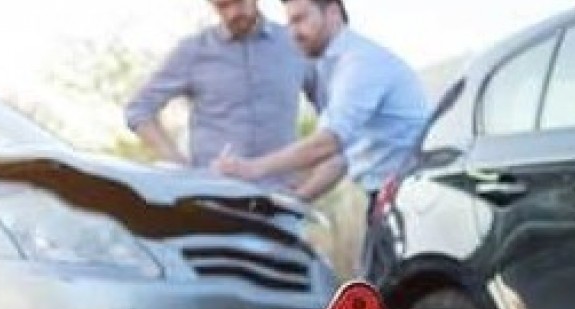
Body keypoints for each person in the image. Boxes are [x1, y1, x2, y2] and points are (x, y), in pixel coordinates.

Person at [212, 0, 430, 208]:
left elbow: (327, 143)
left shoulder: (360, 63)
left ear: (333, 13)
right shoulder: (332, 68)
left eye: (300, 19)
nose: (293, 33)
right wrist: (295, 199)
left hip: (414, 195)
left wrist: (252, 168)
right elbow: (341, 158)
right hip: (391, 194)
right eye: (290, 23)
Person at [124, 0, 310, 176]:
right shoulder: (194, 51)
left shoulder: (295, 43)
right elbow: (138, 109)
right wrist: (180, 166)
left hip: (279, 197)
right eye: (222, 6)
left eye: (238, 2)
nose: (232, 14)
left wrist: (309, 184)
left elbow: (334, 116)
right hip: (213, 195)